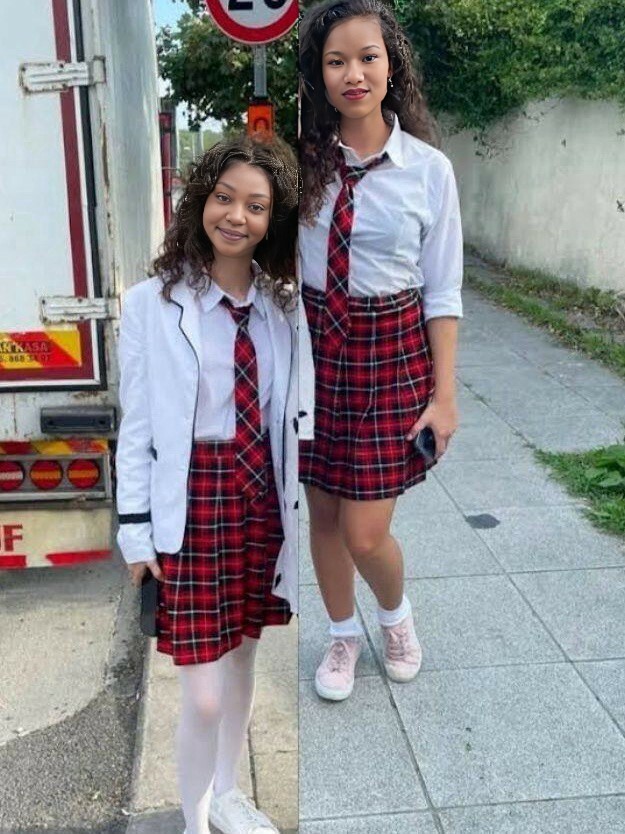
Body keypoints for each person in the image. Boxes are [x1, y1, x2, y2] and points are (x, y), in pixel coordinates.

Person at [115, 136, 302, 834]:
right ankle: (195, 822)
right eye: (224, 198)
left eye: (256, 205)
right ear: (200, 200)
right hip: (193, 501)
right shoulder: (151, 303)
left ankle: (227, 792)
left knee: (244, 656)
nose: (236, 216)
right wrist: (136, 531)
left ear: (272, 221)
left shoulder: (282, 307)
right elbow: (137, 426)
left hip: (259, 497)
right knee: (201, 694)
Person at [298, 0, 463, 701]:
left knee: (365, 531)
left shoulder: (429, 170)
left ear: (392, 65)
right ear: (320, 75)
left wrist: (445, 398)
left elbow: (442, 291)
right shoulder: (299, 167)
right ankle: (342, 635)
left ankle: (395, 619)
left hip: (390, 355)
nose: (353, 74)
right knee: (324, 517)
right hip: (313, 355)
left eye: (367, 57)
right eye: (336, 61)